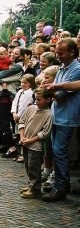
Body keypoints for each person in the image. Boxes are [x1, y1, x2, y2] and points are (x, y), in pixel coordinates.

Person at [41, 38, 80, 202]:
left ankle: (61, 187)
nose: (58, 56)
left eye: (61, 53)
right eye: (57, 53)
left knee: (59, 152)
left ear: (72, 52)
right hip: (57, 116)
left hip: (67, 117)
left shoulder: (76, 69)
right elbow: (55, 93)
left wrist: (50, 90)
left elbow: (60, 95)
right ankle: (61, 183)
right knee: (56, 152)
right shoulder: (62, 68)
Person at [18, 88, 53, 199]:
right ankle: (31, 185)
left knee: (34, 167)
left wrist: (31, 140)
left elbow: (45, 133)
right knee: (28, 166)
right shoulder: (31, 108)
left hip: (36, 146)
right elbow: (22, 121)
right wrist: (22, 136)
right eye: (35, 99)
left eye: (39, 99)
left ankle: (35, 189)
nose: (36, 101)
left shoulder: (49, 114)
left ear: (48, 100)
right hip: (25, 142)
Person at [10, 74, 37, 162]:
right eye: (22, 82)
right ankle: (22, 154)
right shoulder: (20, 91)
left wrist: (19, 115)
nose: (23, 84)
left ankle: (24, 154)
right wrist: (14, 113)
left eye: (25, 83)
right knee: (19, 135)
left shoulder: (30, 93)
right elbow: (15, 103)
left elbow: (25, 106)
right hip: (17, 116)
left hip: (24, 118)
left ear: (31, 84)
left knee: (25, 135)